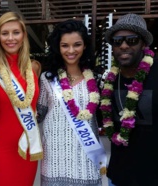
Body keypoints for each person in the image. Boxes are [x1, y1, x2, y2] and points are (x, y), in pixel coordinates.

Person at [37, 19, 106, 186]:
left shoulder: (97, 79)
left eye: (77, 45)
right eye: (64, 45)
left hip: (86, 161)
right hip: (54, 162)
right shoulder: (47, 78)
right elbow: (39, 114)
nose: (71, 51)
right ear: (57, 47)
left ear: (85, 46)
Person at [0, 12, 43, 185]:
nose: (10, 38)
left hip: (27, 144)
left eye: (16, 32)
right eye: (4, 33)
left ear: (23, 35)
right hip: (0, 146)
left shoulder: (35, 68)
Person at [100, 13, 158, 186]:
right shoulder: (109, 79)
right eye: (117, 41)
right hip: (118, 176)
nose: (124, 46)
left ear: (143, 44)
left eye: (131, 40)